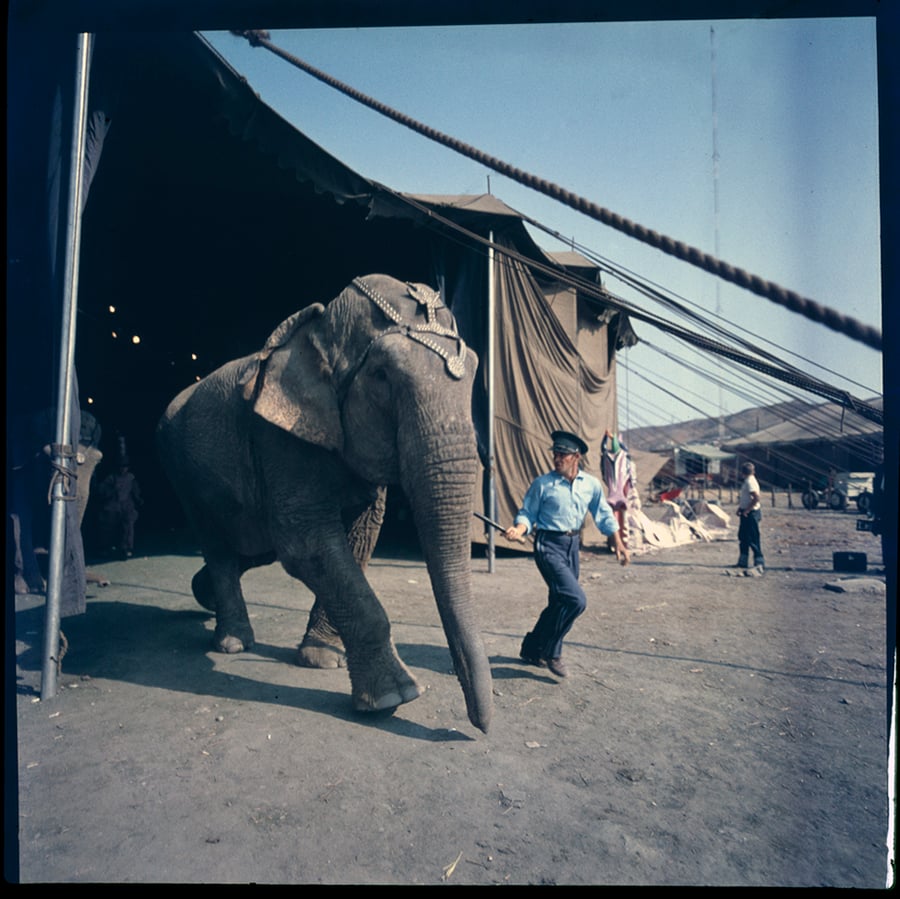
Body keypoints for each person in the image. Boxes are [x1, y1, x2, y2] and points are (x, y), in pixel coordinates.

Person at [504, 430, 630, 678]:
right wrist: (519, 529)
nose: (557, 458)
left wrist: (618, 542)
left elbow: (603, 513)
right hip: (548, 545)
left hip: (572, 546)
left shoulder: (591, 485)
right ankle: (552, 651)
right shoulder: (543, 484)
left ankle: (532, 648)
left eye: (563, 454)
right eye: (555, 454)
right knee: (575, 600)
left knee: (559, 602)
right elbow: (527, 513)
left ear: (577, 456)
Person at [97, 438, 143, 558]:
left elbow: (135, 490)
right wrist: (110, 491)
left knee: (128, 527)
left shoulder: (130, 478)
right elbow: (101, 489)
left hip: (127, 505)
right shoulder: (111, 477)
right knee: (108, 527)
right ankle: (105, 547)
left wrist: (138, 499)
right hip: (112, 505)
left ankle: (126, 548)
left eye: (125, 466)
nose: (123, 469)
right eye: (121, 466)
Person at [735, 461, 765, 573]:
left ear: (743, 472)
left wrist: (747, 510)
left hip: (751, 513)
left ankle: (759, 562)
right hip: (746, 512)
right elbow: (746, 498)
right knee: (743, 536)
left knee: (753, 538)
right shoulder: (748, 481)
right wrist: (741, 508)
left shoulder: (750, 482)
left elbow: (756, 498)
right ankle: (743, 560)